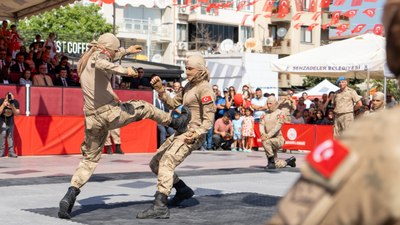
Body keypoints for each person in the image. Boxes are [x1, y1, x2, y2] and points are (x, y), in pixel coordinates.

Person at [266, 3, 400, 223]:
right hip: (338, 116)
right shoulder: (338, 94)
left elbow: (297, 215)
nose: (343, 82)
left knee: (344, 146)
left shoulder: (374, 134)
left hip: (349, 118)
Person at [57, 33, 191, 220]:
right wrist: (125, 71)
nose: (113, 54)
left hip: (92, 119)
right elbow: (103, 62)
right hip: (108, 114)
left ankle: (70, 195)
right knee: (145, 107)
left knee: (89, 160)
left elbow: (107, 56)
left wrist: (126, 51)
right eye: (113, 51)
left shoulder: (85, 60)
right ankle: (176, 122)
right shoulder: (97, 58)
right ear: (105, 49)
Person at [136, 54, 214, 219]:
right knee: (155, 163)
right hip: (182, 131)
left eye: (190, 68)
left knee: (167, 162)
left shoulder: (205, 88)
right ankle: (182, 190)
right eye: (186, 68)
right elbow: (173, 104)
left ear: (199, 70)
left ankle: (160, 205)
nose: (187, 71)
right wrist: (161, 90)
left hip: (192, 134)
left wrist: (197, 133)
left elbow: (209, 121)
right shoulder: (188, 87)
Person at [260, 96, 296, 169]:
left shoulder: (280, 113)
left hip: (278, 139)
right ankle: (289, 161)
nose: (268, 105)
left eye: (270, 103)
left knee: (266, 142)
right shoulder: (264, 114)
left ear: (275, 104)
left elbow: (278, 126)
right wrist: (263, 134)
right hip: (268, 138)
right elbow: (261, 125)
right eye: (267, 103)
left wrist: (268, 136)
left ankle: (271, 163)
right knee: (277, 164)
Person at [0, 92, 20, 158]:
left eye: (11, 97)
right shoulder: (1, 101)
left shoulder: (15, 102)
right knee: (3, 133)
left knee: (10, 135)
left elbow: (17, 114)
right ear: (5, 97)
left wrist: (12, 106)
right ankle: (1, 152)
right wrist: (3, 105)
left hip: (10, 119)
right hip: (2, 119)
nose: (10, 99)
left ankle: (11, 152)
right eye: (8, 97)